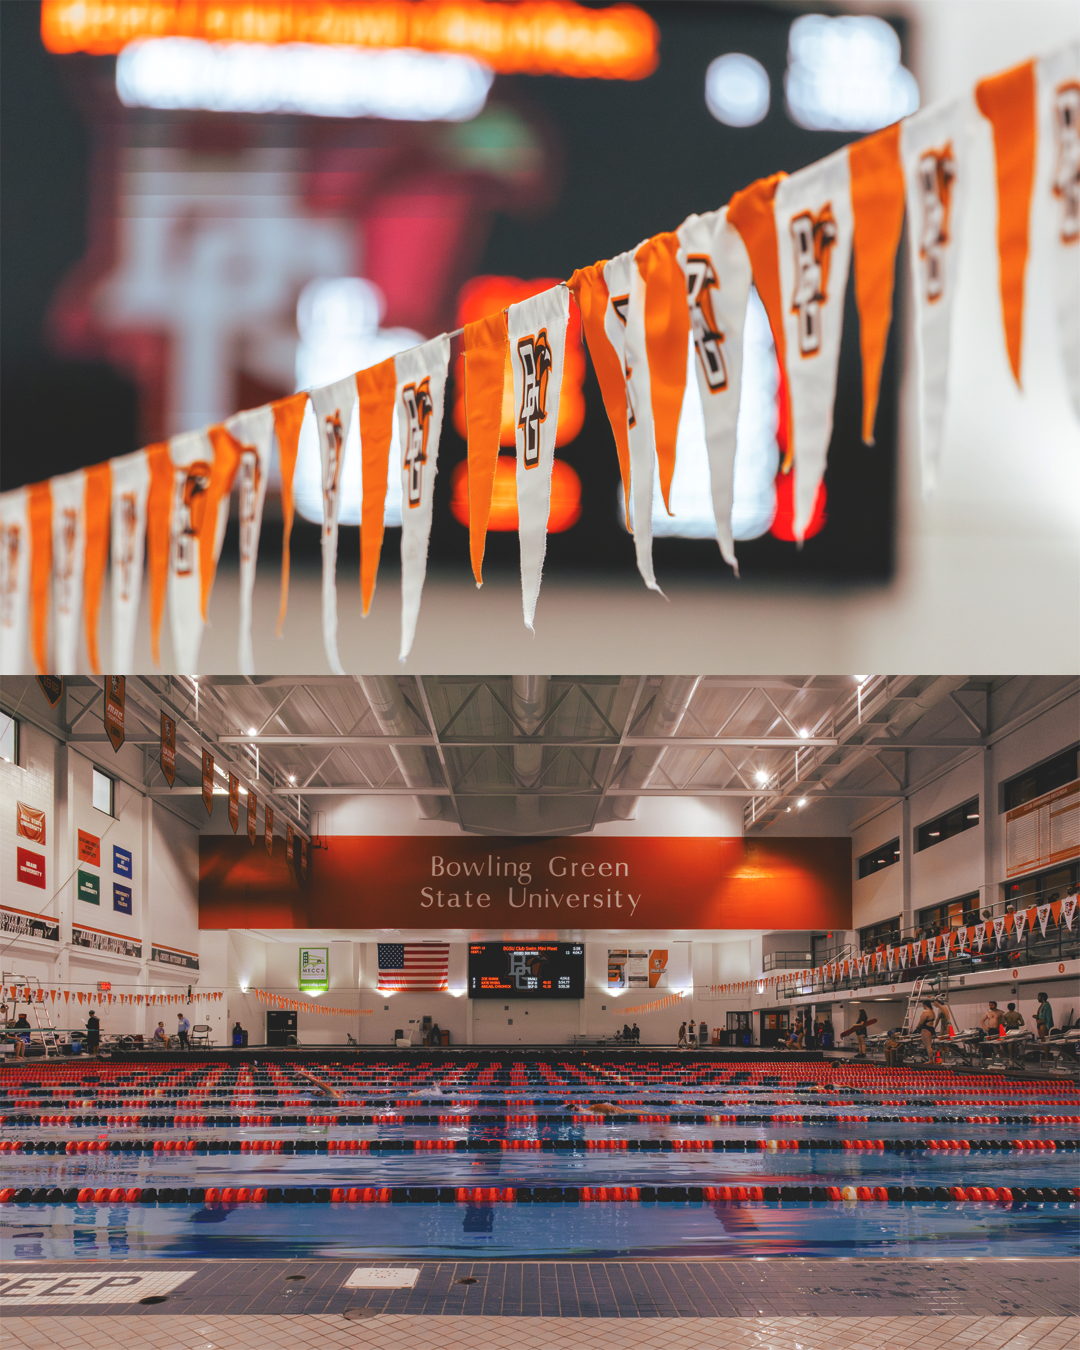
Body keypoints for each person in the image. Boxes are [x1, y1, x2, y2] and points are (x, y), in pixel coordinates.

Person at [1035, 992, 1054, 1060]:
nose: (1038, 998)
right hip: (1039, 1024)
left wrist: (1038, 1018)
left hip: (1043, 1024)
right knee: (1043, 1041)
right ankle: (1046, 1056)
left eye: (1039, 997)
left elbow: (1047, 1017)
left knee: (1045, 1041)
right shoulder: (1042, 1005)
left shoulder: (1047, 1005)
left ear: (1042, 997)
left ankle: (1047, 1057)